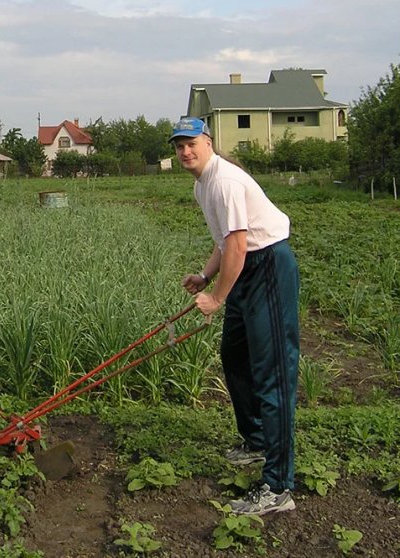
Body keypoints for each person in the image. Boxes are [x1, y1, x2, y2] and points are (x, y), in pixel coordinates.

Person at [171, 118, 300, 515]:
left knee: (272, 374)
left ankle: (278, 488)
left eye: (191, 143)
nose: (185, 152)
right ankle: (256, 440)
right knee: (234, 355)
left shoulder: (224, 180)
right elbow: (225, 241)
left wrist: (216, 297)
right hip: (244, 265)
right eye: (179, 146)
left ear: (208, 143)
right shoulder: (202, 184)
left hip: (267, 267)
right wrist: (205, 276)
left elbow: (240, 246)